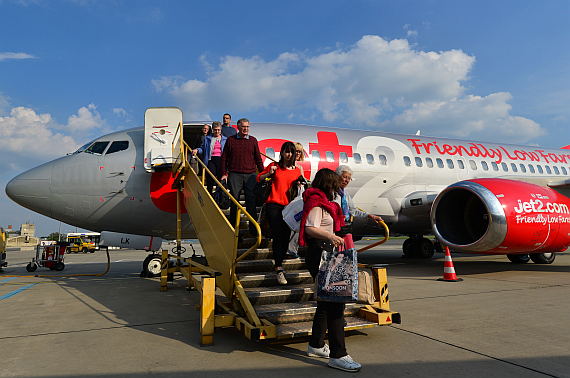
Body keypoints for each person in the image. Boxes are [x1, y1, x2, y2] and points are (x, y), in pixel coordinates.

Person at [299, 168, 361, 372]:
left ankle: (316, 344)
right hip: (320, 254)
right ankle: (338, 355)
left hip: (324, 252)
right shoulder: (316, 201)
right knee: (336, 304)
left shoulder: (324, 202)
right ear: (328, 184)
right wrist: (331, 237)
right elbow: (310, 227)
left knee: (326, 303)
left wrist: (338, 232)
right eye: (335, 184)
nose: (338, 187)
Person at [257, 142, 301, 285]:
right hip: (273, 204)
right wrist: (269, 173)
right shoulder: (275, 166)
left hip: (289, 207)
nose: (289, 155)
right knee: (277, 235)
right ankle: (279, 268)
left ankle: (280, 263)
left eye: (291, 152)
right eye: (286, 152)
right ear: (281, 152)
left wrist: (299, 186)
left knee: (286, 236)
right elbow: (258, 178)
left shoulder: (297, 171)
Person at [221, 118, 264, 235]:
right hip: (235, 174)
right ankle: (234, 229)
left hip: (250, 175)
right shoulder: (231, 140)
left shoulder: (253, 140)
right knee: (235, 202)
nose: (246, 129)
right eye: (244, 127)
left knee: (251, 202)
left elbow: (258, 159)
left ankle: (254, 230)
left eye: (247, 127)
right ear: (238, 127)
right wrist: (223, 174)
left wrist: (264, 173)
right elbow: (224, 158)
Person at [192, 121, 227, 194]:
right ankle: (209, 192)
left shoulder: (225, 139)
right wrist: (197, 150)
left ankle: (219, 195)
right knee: (211, 175)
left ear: (221, 130)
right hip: (211, 159)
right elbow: (203, 148)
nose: (217, 131)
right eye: (215, 130)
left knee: (220, 177)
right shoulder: (207, 138)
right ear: (212, 130)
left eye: (218, 130)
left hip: (221, 160)